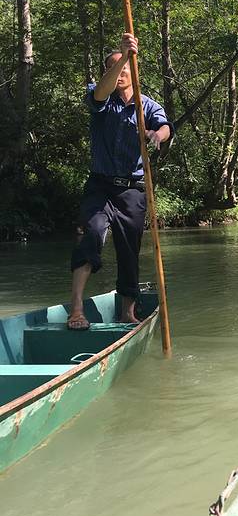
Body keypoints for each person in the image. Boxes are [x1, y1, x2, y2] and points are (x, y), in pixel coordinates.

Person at [67, 33, 173, 330]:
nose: (121, 72)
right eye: (115, 68)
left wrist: (156, 135)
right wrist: (124, 55)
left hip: (132, 190)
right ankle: (77, 310)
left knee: (129, 251)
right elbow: (101, 93)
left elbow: (165, 126)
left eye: (126, 68)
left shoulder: (146, 105)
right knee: (91, 234)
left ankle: (127, 311)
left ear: (135, 72)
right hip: (100, 186)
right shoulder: (100, 96)